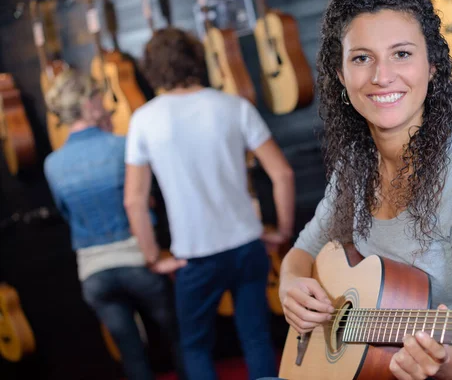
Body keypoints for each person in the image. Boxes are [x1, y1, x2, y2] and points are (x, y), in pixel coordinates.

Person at [277, 0, 452, 379]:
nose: (381, 76)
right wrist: (290, 287)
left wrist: (437, 366)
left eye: (402, 54)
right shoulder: (357, 163)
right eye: (361, 59)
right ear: (340, 74)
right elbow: (302, 253)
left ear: (432, 66)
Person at [123, 27, 295, 380]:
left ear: (152, 68)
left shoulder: (144, 119)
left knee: (196, 346)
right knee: (258, 339)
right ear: (197, 59)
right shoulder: (234, 106)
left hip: (194, 254)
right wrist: (283, 231)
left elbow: (134, 201)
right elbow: (283, 174)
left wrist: (153, 257)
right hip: (247, 243)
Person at [43, 69, 185, 380]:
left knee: (132, 354)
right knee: (181, 342)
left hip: (93, 272)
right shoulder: (122, 146)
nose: (105, 103)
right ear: (88, 104)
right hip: (138, 261)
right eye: (98, 97)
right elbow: (147, 199)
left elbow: (66, 212)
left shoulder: (52, 164)